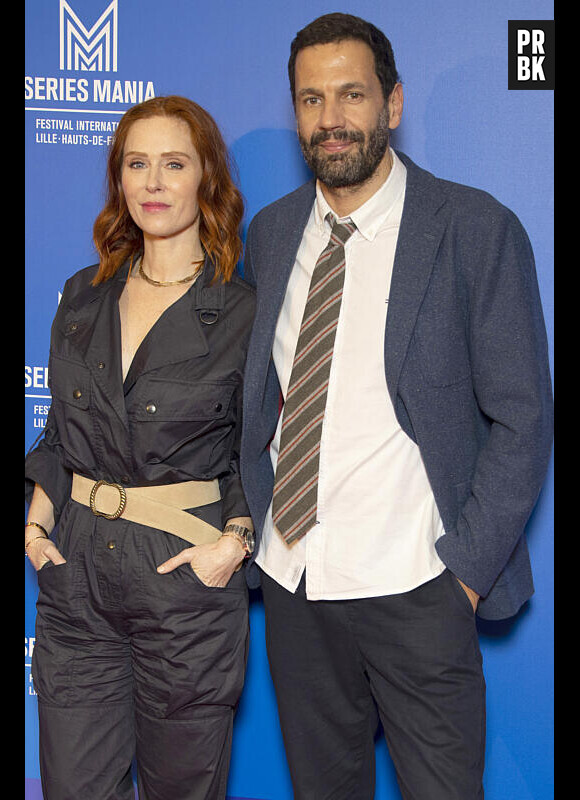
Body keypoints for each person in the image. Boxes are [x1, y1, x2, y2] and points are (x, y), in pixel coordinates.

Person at [240, 13, 553, 800]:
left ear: (394, 104)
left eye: (352, 94)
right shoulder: (273, 233)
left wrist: (465, 578)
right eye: (311, 100)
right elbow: (259, 401)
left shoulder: (475, 229)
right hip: (296, 583)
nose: (331, 119)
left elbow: (524, 416)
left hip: (419, 587)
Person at [25, 95, 256, 800]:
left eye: (174, 164)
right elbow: (61, 433)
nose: (154, 182)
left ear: (205, 179)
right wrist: (36, 527)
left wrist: (235, 542)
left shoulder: (244, 311)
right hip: (77, 578)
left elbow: (261, 449)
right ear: (119, 181)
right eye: (137, 164)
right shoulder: (81, 296)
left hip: (185, 581)